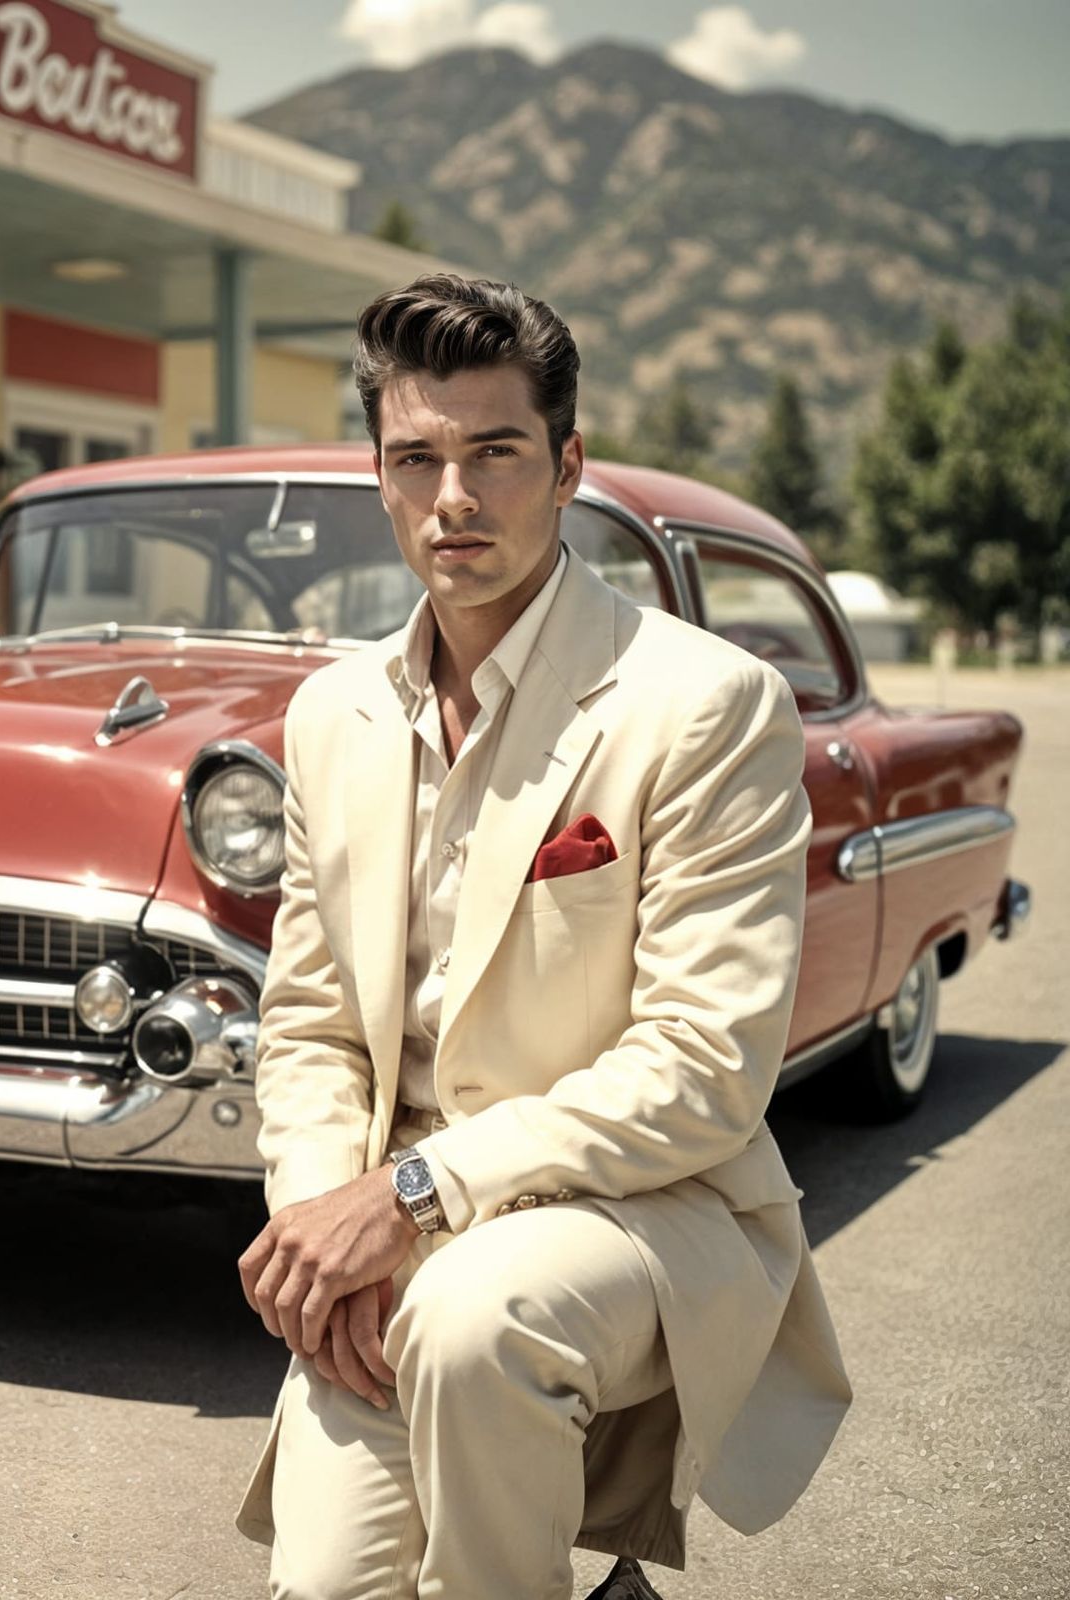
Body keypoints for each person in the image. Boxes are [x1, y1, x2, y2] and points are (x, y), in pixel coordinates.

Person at [234, 275, 852, 1599]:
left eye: (496, 452)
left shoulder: (707, 705)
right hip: (392, 1225)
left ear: (567, 465)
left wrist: (408, 1197)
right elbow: (308, 1028)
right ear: (382, 479)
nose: (455, 497)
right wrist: (316, 1227)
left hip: (639, 1209)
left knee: (472, 1321)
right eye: (418, 459)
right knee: (323, 1590)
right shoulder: (327, 714)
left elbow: (699, 1067)